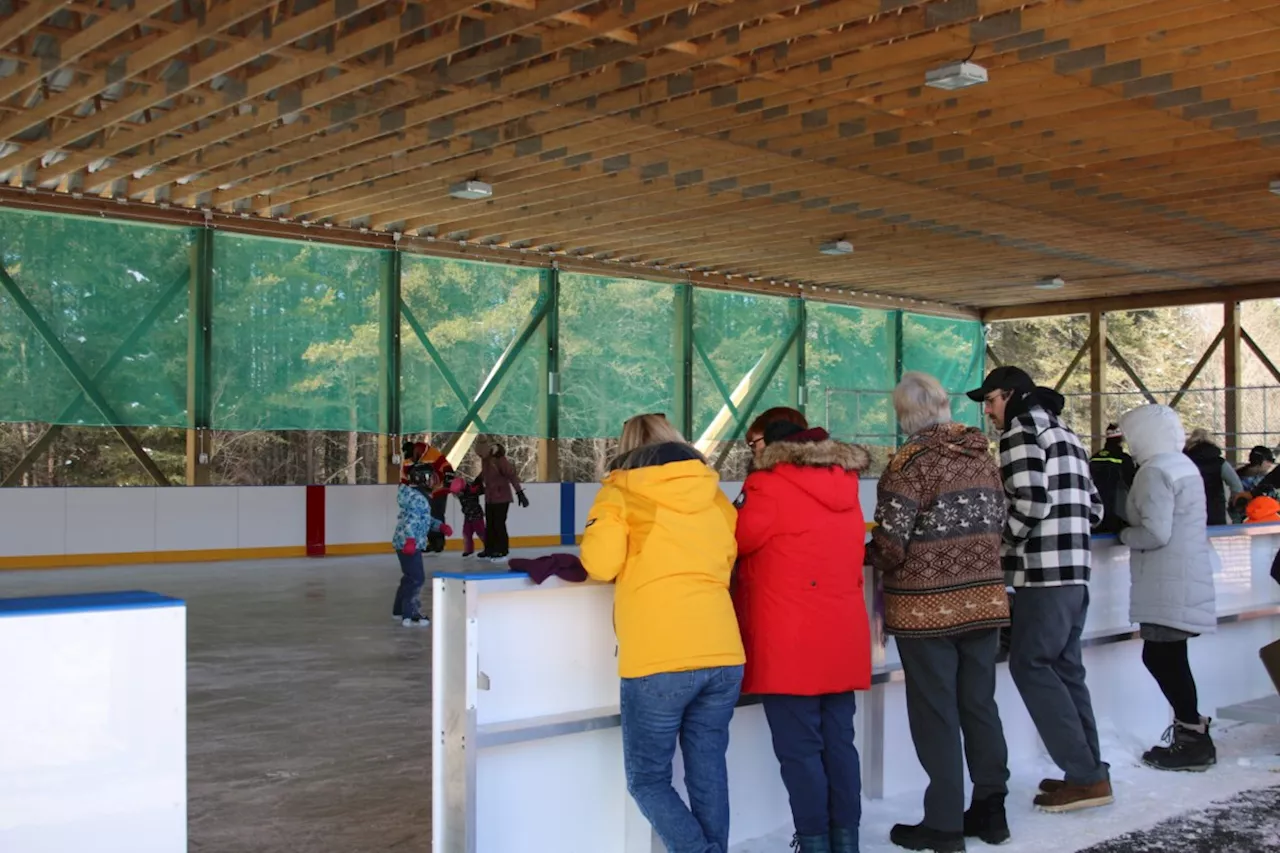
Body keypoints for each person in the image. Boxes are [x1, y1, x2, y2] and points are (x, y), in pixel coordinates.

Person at [580, 413, 744, 853]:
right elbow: (729, 554)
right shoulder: (713, 495)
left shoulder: (621, 491)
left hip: (658, 656)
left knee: (648, 779)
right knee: (707, 768)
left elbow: (600, 564)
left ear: (627, 447)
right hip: (723, 650)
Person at [868, 373, 1011, 853]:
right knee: (979, 705)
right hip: (985, 599)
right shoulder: (982, 458)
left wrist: (868, 554)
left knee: (936, 714)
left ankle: (945, 824)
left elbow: (890, 543)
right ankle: (992, 811)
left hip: (926, 609)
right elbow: (1002, 522)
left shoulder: (910, 464)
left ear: (905, 415)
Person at [966, 366, 1111, 813]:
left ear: (1010, 395)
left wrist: (1000, 543)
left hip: (1041, 574)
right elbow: (1096, 508)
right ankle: (1089, 770)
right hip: (1076, 571)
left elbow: (1029, 502)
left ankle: (1084, 777)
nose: (987, 411)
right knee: (1067, 670)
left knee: (1030, 665)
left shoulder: (1019, 433)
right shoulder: (1066, 433)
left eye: (989, 400)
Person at [734, 407, 871, 853]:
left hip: (788, 638)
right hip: (841, 635)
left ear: (771, 447)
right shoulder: (845, 486)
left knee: (800, 750)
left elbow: (737, 540)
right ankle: (845, 840)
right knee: (839, 743)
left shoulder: (766, 487)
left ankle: (814, 841)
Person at [1117, 404, 1217, 771]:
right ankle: (1193, 733)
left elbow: (1155, 532)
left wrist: (1123, 532)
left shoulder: (1154, 471)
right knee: (1172, 658)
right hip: (1185, 575)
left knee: (1161, 658)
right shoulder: (1182, 465)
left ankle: (1192, 735)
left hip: (1165, 581)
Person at [391, 463, 450, 627]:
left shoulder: (418, 496)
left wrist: (440, 526)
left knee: (409, 577)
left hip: (405, 542)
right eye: (431, 478)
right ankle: (411, 614)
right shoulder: (418, 498)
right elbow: (411, 521)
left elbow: (424, 519)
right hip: (409, 543)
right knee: (417, 578)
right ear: (422, 479)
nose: (433, 482)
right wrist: (410, 540)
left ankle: (399, 610)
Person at [476, 438, 527, 562]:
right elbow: (485, 473)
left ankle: (502, 550)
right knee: (490, 524)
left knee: (499, 524)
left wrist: (519, 492)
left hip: (502, 497)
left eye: (481, 454)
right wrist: (477, 481)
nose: (480, 456)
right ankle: (490, 549)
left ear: (487, 450)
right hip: (490, 497)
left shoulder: (499, 459)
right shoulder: (486, 459)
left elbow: (511, 475)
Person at [1183, 428, 1246, 526]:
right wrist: (1232, 506)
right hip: (1216, 510)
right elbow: (1236, 486)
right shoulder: (1220, 463)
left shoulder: (1184, 462)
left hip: (1190, 509)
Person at [402, 439, 455, 553]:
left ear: (416, 450)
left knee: (437, 514)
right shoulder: (409, 460)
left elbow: (446, 466)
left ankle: (439, 543)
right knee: (426, 515)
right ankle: (431, 542)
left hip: (439, 489)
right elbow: (405, 476)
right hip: (424, 491)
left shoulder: (432, 454)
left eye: (412, 455)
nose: (410, 458)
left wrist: (448, 479)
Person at [1089, 424, 1137, 535]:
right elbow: (1133, 484)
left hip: (1096, 510)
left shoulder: (1095, 457)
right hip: (1116, 513)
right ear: (1121, 439)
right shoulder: (1123, 459)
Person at [449, 476, 486, 556]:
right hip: (467, 516)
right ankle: (469, 550)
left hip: (477, 515)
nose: (457, 495)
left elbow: (482, 490)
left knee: (481, 532)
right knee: (466, 533)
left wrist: (479, 483)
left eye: (458, 493)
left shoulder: (472, 490)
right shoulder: (460, 494)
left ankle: (488, 547)